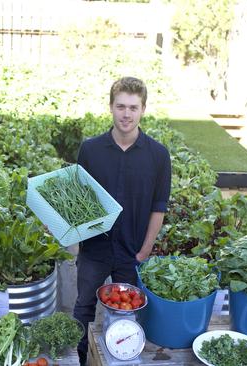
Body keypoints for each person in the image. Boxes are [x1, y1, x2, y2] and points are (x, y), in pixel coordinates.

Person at [73, 76, 172, 365]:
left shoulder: (158, 155)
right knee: (83, 308)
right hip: (94, 249)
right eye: (120, 107)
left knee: (126, 315)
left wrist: (146, 249)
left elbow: (158, 206)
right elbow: (78, 198)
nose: (126, 114)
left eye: (133, 107)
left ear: (143, 109)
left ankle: (118, 359)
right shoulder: (90, 150)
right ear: (111, 107)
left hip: (132, 251)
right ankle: (81, 360)